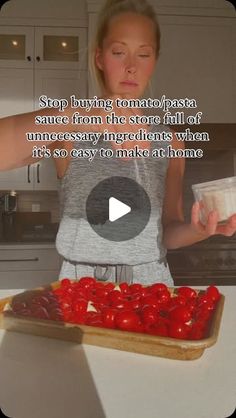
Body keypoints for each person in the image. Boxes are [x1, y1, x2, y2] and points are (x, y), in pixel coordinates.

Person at [0, 0, 236, 285]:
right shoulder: (69, 129)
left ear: (155, 61)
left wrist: (199, 229)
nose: (131, 67)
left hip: (151, 286)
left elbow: (169, 231)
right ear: (100, 58)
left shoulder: (171, 143)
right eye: (119, 52)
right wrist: (77, 115)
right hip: (81, 285)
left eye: (144, 54)